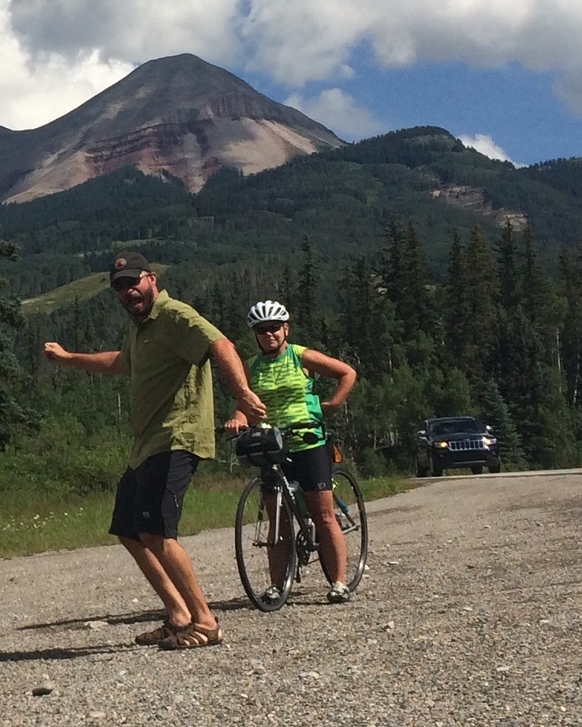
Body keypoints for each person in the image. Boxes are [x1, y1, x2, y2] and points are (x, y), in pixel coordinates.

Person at [41, 252, 265, 650]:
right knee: (130, 529)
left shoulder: (174, 316)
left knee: (157, 530)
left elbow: (221, 344)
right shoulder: (139, 328)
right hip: (145, 443)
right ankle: (178, 614)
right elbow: (120, 363)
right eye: (120, 287)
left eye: (133, 282)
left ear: (152, 279)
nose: (128, 292)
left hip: (177, 436)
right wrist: (69, 359)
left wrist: (243, 394)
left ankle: (205, 620)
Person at [242, 299, 360, 604]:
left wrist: (333, 405)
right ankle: (277, 585)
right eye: (261, 329)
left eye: (273, 328)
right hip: (272, 445)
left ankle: (339, 582)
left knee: (322, 514)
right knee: (277, 521)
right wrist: (237, 420)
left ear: (285, 329)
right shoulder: (252, 366)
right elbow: (246, 404)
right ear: (255, 334)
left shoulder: (300, 356)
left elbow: (347, 372)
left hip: (308, 441)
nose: (268, 334)